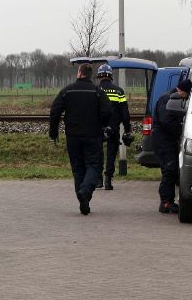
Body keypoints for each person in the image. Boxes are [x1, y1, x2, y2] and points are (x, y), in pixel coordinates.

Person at [49, 63, 112, 215]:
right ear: (90, 75)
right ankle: (85, 192)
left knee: (78, 169)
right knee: (94, 167)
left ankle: (83, 199)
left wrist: (53, 132)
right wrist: (102, 126)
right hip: (93, 136)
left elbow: (55, 111)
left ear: (79, 73)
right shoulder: (98, 91)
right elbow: (107, 111)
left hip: (73, 137)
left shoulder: (67, 91)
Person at [152, 79, 192, 213]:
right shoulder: (168, 100)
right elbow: (167, 122)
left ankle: (167, 201)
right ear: (182, 91)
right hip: (163, 141)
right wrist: (181, 132)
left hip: (167, 140)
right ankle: (166, 202)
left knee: (171, 170)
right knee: (170, 170)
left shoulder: (171, 98)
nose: (187, 97)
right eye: (187, 94)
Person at [96, 64, 133, 190]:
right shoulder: (119, 91)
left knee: (98, 153)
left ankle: (98, 180)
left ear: (99, 75)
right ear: (111, 76)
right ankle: (108, 181)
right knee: (111, 154)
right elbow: (125, 114)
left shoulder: (95, 90)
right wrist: (127, 130)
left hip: (98, 128)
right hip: (114, 128)